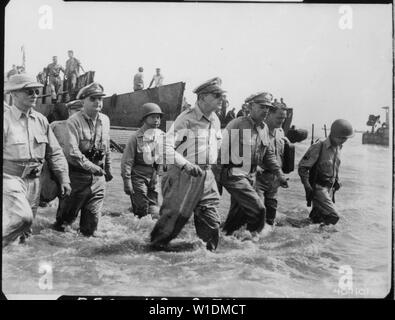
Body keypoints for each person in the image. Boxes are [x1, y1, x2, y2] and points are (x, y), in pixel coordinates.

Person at [150, 77, 225, 251]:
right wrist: (186, 164)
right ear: (202, 97)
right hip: (184, 176)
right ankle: (151, 259)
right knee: (170, 226)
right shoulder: (186, 119)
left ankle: (207, 263)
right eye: (216, 95)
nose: (221, 99)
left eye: (221, 95)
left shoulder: (215, 120)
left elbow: (216, 147)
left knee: (212, 222)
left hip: (206, 177)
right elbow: (164, 146)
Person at [3, 74, 71, 247]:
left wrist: (63, 178)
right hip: (10, 179)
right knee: (22, 218)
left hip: (34, 181)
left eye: (35, 91)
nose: (34, 94)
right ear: (14, 94)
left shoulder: (41, 120)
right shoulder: (5, 120)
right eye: (28, 91)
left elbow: (54, 152)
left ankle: (16, 265)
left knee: (26, 230)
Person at [219, 92, 288, 238]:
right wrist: (218, 180)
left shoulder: (264, 129)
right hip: (235, 174)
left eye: (268, 107)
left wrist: (280, 175)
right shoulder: (237, 124)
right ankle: (252, 242)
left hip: (250, 177)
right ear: (250, 106)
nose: (265, 110)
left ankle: (224, 241)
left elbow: (269, 155)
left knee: (237, 217)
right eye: (262, 106)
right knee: (259, 209)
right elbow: (221, 152)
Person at [53, 82, 112, 236]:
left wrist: (108, 168)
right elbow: (72, 152)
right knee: (63, 226)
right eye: (93, 99)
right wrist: (93, 168)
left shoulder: (105, 120)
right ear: (83, 101)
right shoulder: (74, 121)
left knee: (90, 229)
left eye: (100, 99)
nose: (98, 102)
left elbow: (106, 147)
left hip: (98, 179)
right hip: (77, 178)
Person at [298, 119, 354, 225]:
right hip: (318, 188)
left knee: (316, 220)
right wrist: (307, 186)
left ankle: (308, 238)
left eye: (345, 138)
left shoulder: (338, 147)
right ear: (333, 134)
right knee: (333, 217)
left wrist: (337, 181)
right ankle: (322, 239)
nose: (343, 141)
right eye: (341, 138)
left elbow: (335, 167)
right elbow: (302, 167)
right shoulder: (319, 146)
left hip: (330, 189)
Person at [121, 103, 164, 218]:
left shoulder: (162, 136)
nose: (156, 120)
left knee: (155, 212)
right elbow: (127, 161)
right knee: (142, 209)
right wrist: (127, 181)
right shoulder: (135, 138)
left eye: (158, 117)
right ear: (144, 119)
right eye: (153, 117)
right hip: (138, 178)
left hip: (154, 179)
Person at [40, 100, 84, 205]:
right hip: (54, 169)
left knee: (67, 203)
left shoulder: (87, 129)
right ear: (69, 111)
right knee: (45, 197)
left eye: (83, 112)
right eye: (77, 111)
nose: (80, 115)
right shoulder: (56, 125)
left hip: (75, 172)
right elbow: (43, 146)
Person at [255, 102, 290, 225]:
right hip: (258, 179)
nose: (282, 121)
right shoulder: (258, 131)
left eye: (284, 118)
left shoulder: (280, 131)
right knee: (257, 213)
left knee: (270, 217)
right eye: (279, 118)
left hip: (274, 180)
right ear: (269, 114)